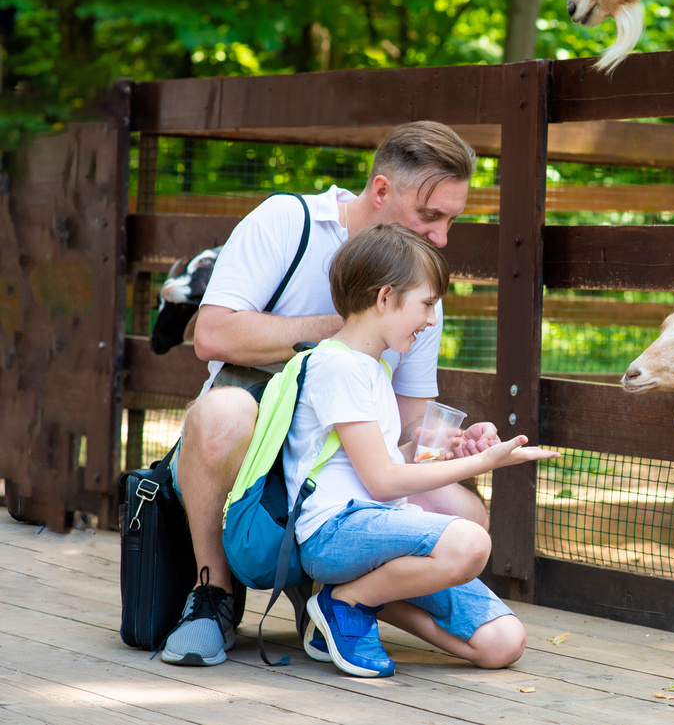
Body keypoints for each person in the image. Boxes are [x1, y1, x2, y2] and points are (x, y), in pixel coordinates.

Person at [161, 121, 498, 666]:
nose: (441, 237)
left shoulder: (418, 285)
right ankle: (213, 597)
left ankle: (336, 602)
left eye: (452, 221)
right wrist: (354, 326)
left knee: (465, 515)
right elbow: (212, 334)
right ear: (382, 190)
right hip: (248, 453)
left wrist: (455, 447)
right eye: (430, 216)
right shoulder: (289, 221)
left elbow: (409, 428)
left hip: (342, 472)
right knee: (222, 412)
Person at [290, 223, 557, 676]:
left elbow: (382, 461)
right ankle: (346, 601)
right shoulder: (337, 366)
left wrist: (445, 448)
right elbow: (381, 481)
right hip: (335, 532)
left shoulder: (371, 368)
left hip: (384, 529)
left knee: (501, 644)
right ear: (385, 298)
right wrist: (482, 463)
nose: (431, 320)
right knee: (470, 543)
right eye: (427, 304)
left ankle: (346, 607)